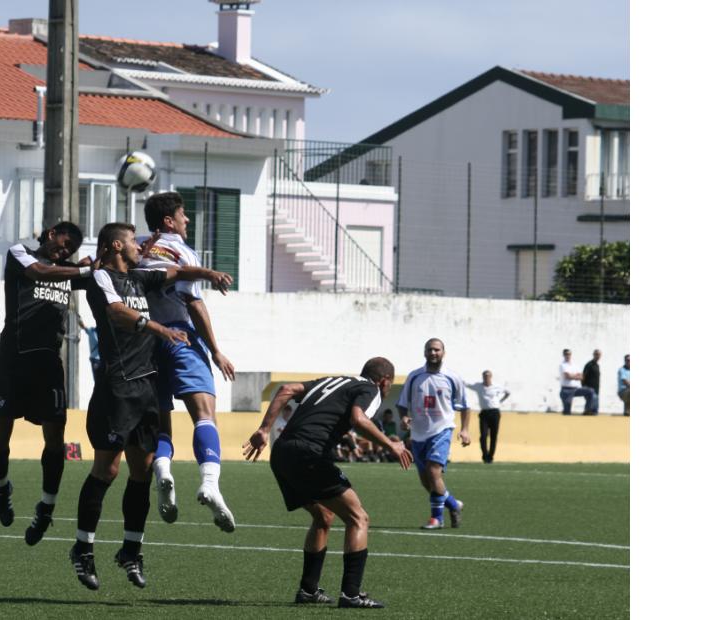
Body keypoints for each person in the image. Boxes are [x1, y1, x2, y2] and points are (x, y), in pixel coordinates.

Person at [69, 222, 232, 591]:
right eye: (131, 243)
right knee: (107, 470)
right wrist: (157, 327)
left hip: (146, 388)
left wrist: (207, 272)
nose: (137, 248)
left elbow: (175, 271)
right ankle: (82, 549)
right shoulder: (102, 278)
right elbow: (115, 312)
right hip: (117, 388)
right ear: (115, 246)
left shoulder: (142, 279)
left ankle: (131, 550)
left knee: (142, 473)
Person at [242, 358, 413, 609]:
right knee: (359, 518)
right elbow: (358, 418)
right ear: (385, 381)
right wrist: (392, 444)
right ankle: (351, 595)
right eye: (388, 386)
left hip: (282, 453)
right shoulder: (371, 388)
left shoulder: (333, 381)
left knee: (323, 517)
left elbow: (286, 389)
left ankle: (308, 590)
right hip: (309, 454)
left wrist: (265, 429)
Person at [0, 221, 94, 546]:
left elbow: (107, 279)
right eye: (64, 244)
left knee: (55, 442)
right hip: (12, 361)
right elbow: (39, 272)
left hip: (48, 367)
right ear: (50, 235)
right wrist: (81, 270)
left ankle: (46, 508)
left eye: (71, 249)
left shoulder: (69, 272)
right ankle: (1, 487)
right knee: (0, 440)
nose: (66, 251)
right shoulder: (20, 254)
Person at [137, 192, 237, 532]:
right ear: (169, 221)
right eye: (183, 215)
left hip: (144, 341)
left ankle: (163, 471)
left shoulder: (137, 247)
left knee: (161, 419)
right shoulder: (182, 251)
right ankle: (209, 481)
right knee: (204, 414)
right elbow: (194, 303)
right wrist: (216, 350)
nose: (187, 221)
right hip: (178, 335)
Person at [397, 338, 471, 530]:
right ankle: (453, 504)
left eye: (437, 350)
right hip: (419, 434)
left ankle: (437, 519)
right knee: (426, 481)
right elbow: (402, 404)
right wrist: (404, 418)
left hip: (442, 430)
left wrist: (464, 429)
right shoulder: (414, 376)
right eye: (430, 350)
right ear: (424, 352)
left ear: (443, 353)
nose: (433, 353)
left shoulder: (453, 378)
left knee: (433, 471)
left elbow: (464, 406)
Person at [473, 371, 510, 463]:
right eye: (485, 376)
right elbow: (467, 384)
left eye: (488, 376)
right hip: (484, 413)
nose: (486, 378)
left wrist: (500, 401)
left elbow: (507, 392)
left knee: (493, 436)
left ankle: (490, 456)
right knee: (484, 435)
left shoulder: (496, 386)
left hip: (494, 412)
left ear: (491, 377)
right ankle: (485, 455)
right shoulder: (479, 386)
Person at [558, 348, 597, 415]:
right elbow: (567, 376)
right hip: (566, 390)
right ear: (563, 355)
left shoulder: (574, 365)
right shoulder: (563, 365)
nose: (568, 356)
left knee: (590, 391)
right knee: (567, 412)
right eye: (566, 354)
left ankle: (587, 410)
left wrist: (572, 376)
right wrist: (576, 376)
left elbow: (581, 377)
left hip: (576, 389)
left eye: (569, 354)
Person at [581, 349, 602, 415]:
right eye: (596, 354)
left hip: (596, 389)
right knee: (589, 407)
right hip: (589, 388)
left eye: (598, 354)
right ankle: (586, 412)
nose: (597, 356)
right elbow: (583, 376)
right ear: (593, 355)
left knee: (595, 410)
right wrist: (584, 387)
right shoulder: (589, 365)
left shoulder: (597, 365)